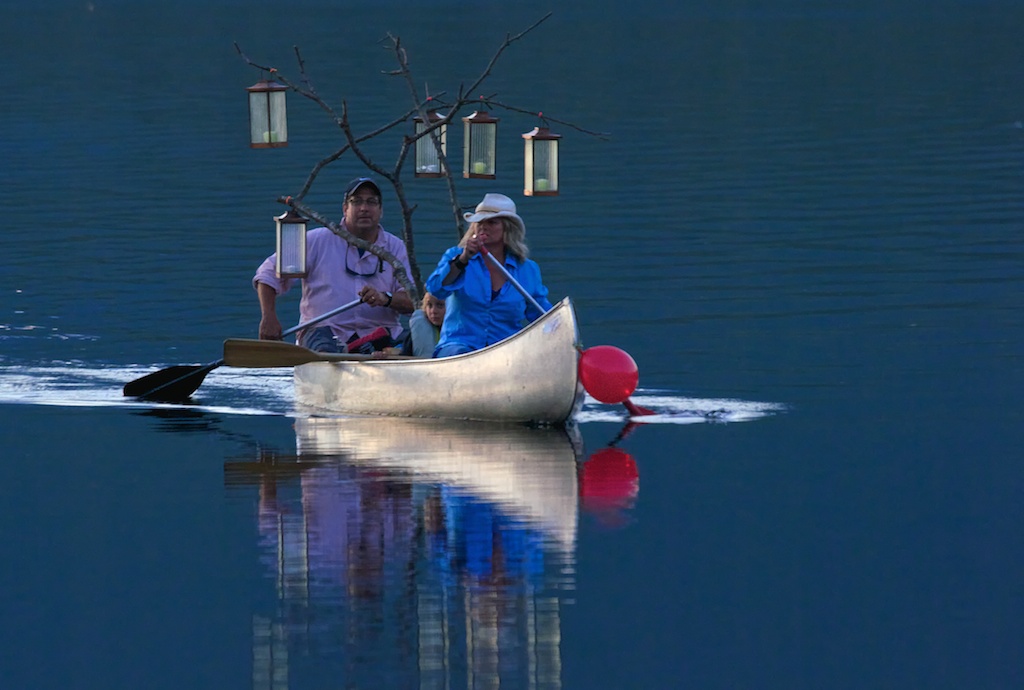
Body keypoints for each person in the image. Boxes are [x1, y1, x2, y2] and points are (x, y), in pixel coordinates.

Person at [253, 177, 414, 352]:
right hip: (324, 332)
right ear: (345, 209)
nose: (364, 208)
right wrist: (269, 317)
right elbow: (267, 274)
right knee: (324, 349)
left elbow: (412, 300)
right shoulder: (317, 240)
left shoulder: (395, 247)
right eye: (356, 201)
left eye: (371, 202)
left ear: (381, 210)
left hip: (381, 333)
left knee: (418, 339)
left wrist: (385, 298)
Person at [424, 193, 552, 358]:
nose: (484, 226)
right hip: (460, 346)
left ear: (508, 228)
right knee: (461, 357)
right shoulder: (455, 256)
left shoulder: (526, 269)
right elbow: (436, 289)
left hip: (507, 348)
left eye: (491, 222)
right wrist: (463, 259)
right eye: (480, 222)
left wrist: (562, 328)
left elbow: (541, 313)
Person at [400, 292, 446, 357]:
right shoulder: (418, 330)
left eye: (440, 305)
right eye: (429, 305)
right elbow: (404, 356)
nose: (433, 311)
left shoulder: (461, 332)